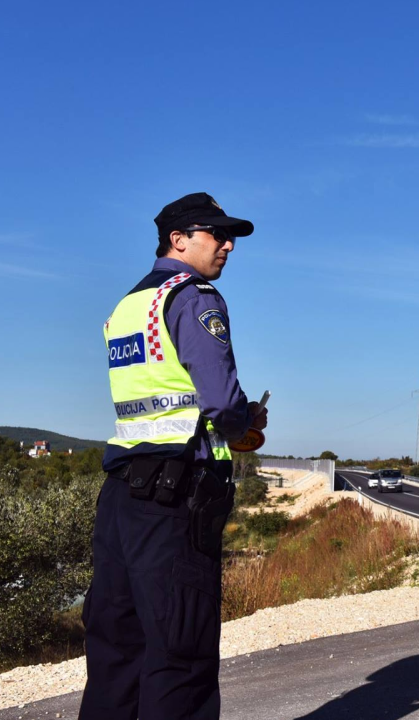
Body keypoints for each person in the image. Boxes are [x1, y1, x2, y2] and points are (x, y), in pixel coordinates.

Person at [81, 192, 269, 720]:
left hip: (120, 495)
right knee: (179, 650)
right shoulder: (193, 297)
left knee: (117, 650)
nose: (228, 245)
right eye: (216, 234)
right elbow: (220, 401)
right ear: (179, 239)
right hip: (176, 494)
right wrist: (244, 423)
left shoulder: (124, 308)